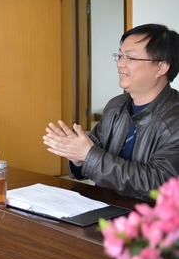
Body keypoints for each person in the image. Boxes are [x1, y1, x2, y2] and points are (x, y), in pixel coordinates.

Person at [43, 23, 179, 200]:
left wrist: (89, 156)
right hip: (105, 207)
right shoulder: (116, 106)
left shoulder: (174, 120)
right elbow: (91, 157)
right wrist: (78, 158)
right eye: (120, 56)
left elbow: (158, 184)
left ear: (161, 67)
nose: (120, 64)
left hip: (149, 215)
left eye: (130, 58)